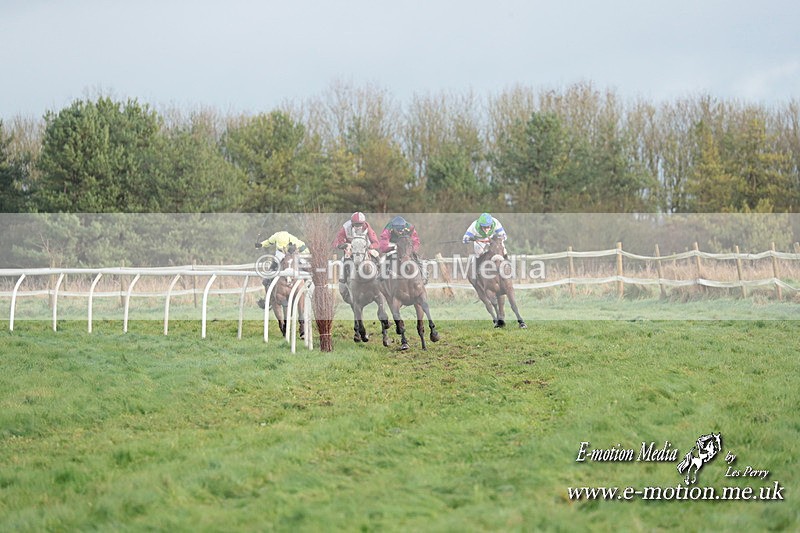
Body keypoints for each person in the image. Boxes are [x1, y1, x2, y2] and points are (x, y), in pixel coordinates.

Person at [332, 212, 380, 303]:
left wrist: (370, 247)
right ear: (351, 223)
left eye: (360, 224)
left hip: (365, 248)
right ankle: (343, 279)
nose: (358, 227)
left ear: (364, 223)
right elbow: (336, 243)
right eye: (355, 224)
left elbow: (376, 242)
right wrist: (345, 245)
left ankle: (381, 277)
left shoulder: (367, 227)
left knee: (376, 254)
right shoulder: (345, 228)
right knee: (344, 258)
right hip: (351, 249)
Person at [255, 230, 307, 309]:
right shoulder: (275, 236)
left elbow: (304, 246)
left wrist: (296, 249)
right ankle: (268, 279)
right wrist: (261, 244)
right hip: (280, 254)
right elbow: (268, 242)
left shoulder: (293, 239)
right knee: (276, 260)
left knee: (302, 262)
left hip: (293, 254)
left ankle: (307, 280)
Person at [462, 213, 507, 284]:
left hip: (493, 240)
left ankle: (507, 267)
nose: (486, 229)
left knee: (503, 249)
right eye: (484, 227)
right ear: (480, 225)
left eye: (488, 227)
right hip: (480, 241)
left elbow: (504, 236)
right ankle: (476, 272)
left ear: (491, 224)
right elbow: (464, 239)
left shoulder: (496, 223)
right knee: (479, 253)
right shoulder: (474, 226)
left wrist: (497, 239)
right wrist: (470, 238)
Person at [379, 215, 426, 283]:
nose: (400, 232)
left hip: (406, 244)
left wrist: (412, 250)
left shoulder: (409, 227)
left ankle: (423, 276)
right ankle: (381, 276)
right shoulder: (388, 228)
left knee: (418, 259)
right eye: (397, 230)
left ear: (404, 226)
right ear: (393, 227)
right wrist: (390, 248)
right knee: (383, 259)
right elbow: (383, 243)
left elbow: (416, 241)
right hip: (393, 244)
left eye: (401, 229)